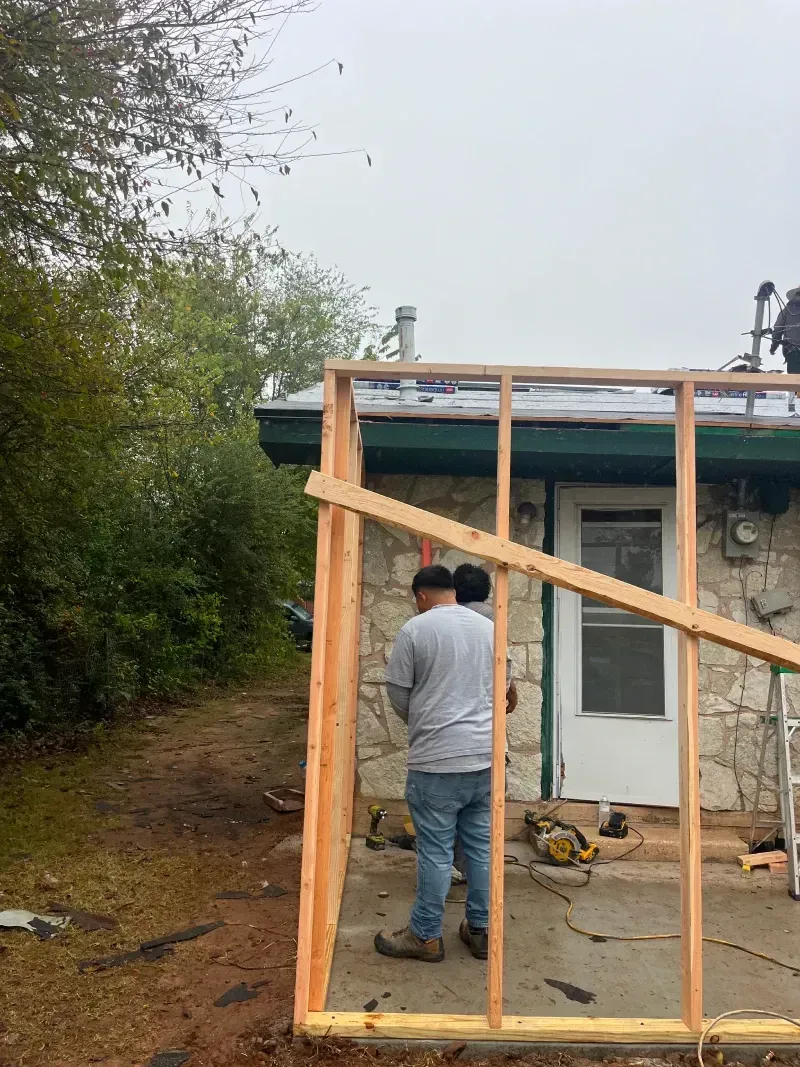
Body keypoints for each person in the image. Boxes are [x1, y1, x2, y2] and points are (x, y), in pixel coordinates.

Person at [375, 564, 511, 963]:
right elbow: (504, 691)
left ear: (420, 595)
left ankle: (425, 937)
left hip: (436, 762)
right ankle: (482, 931)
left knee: (435, 852)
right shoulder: (490, 629)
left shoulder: (415, 630)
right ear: (451, 590)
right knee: (482, 850)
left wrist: (423, 720)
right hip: (485, 760)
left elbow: (399, 693)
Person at [450, 563, 518, 884]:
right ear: (487, 591)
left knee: (445, 812)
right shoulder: (494, 618)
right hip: (486, 742)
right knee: (480, 819)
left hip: (446, 740)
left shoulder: (438, 619)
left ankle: (449, 867)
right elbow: (506, 687)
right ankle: (480, 893)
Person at [770, 285, 800, 413]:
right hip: (792, 351)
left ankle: (792, 410)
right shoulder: (786, 310)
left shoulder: (787, 310)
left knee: (792, 380)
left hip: (792, 352)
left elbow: (777, 329)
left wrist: (774, 346)